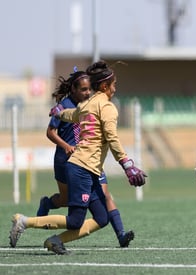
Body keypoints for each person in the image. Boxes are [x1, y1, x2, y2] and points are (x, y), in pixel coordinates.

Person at [9, 61, 147, 254]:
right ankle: (24, 222)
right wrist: (127, 164)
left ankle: (55, 241)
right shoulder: (107, 107)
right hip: (82, 168)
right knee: (75, 220)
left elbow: (73, 115)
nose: (115, 89)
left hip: (86, 168)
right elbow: (112, 138)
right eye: (114, 85)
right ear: (105, 86)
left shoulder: (88, 104)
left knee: (101, 217)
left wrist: (60, 112)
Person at [35, 67, 135, 247]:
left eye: (89, 89)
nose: (87, 92)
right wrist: (66, 145)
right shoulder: (67, 104)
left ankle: (120, 234)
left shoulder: (90, 103)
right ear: (73, 89)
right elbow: (51, 131)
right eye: (83, 89)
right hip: (68, 160)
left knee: (105, 195)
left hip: (91, 160)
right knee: (66, 204)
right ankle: (42, 208)